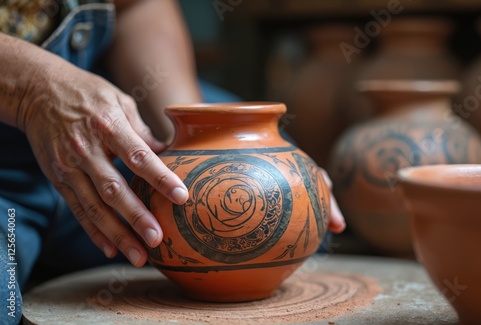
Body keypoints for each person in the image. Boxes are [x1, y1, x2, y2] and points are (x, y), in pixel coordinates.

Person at [0, 1, 345, 323]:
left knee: (304, 218)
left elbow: (138, 6)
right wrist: (33, 90)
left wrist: (193, 137)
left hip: (114, 119)